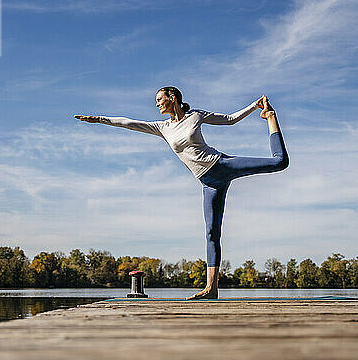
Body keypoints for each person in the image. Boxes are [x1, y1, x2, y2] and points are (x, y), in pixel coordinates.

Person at [75, 86, 288, 299]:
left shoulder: (196, 115)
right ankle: (211, 289)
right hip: (208, 184)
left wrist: (255, 106)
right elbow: (129, 123)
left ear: (172, 97)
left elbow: (230, 119)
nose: (157, 103)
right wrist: (99, 119)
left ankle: (270, 117)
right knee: (212, 233)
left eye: (160, 99)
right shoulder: (162, 127)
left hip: (222, 165)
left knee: (279, 162)